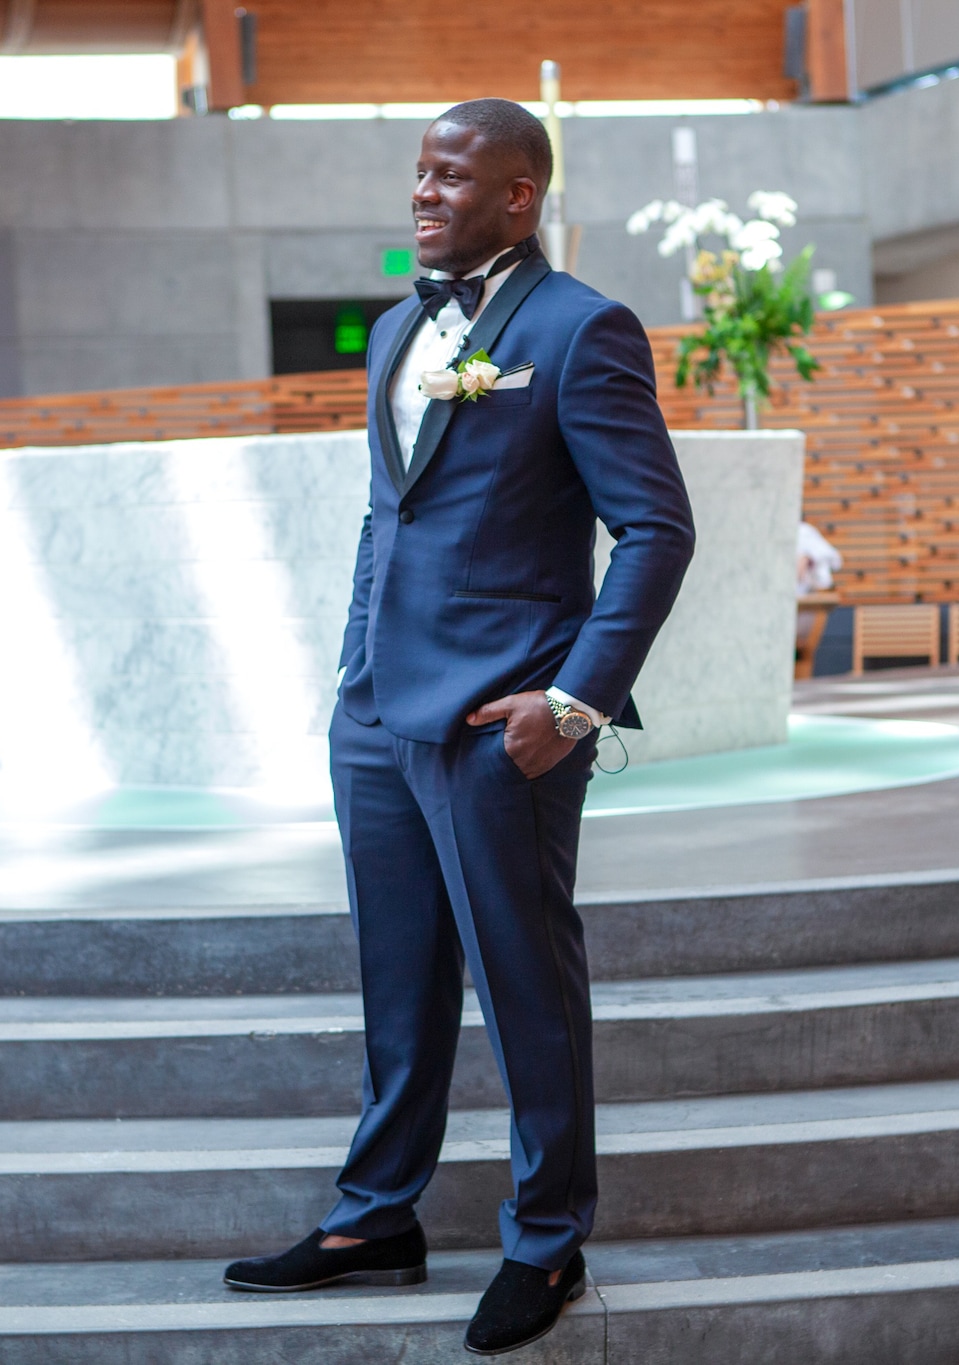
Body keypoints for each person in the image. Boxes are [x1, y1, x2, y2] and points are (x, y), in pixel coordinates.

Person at [222, 98, 695, 1356]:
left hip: (504, 724)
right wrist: (352, 671)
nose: (421, 194)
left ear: (517, 194)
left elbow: (656, 530)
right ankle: (377, 1216)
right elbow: (392, 515)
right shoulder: (392, 328)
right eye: (417, 173)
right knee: (399, 979)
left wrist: (574, 702)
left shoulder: (578, 328)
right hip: (378, 714)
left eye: (448, 175)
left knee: (524, 984)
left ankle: (546, 1242)